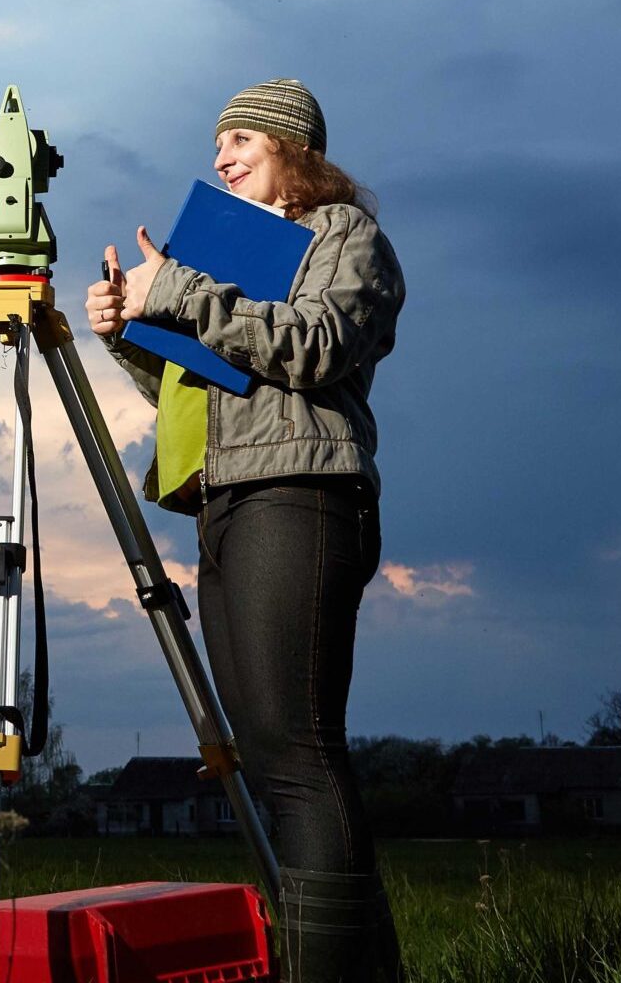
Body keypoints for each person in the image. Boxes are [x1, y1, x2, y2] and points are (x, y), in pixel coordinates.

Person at [85, 78, 405, 983]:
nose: (221, 157)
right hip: (226, 500)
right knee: (270, 755)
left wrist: (182, 291)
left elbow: (314, 347)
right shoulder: (228, 261)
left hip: (299, 495)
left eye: (241, 141)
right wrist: (131, 328)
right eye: (216, 144)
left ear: (293, 151)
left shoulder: (343, 237)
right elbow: (210, 393)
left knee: (299, 750)